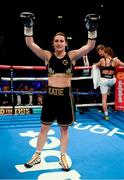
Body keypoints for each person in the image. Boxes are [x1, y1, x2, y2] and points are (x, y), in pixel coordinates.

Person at [20, 12, 100, 170]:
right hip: (50, 96)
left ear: (65, 44)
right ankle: (37, 155)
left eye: (61, 41)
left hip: (65, 97)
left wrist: (92, 30)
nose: (58, 43)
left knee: (64, 129)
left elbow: (90, 46)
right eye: (56, 41)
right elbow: (30, 44)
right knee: (44, 127)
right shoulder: (47, 56)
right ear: (53, 43)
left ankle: (63, 156)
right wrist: (28, 26)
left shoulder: (72, 56)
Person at [93, 46, 124, 120]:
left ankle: (106, 115)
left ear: (106, 53)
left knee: (104, 99)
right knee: (116, 84)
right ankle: (109, 91)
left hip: (104, 80)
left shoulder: (102, 60)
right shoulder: (116, 60)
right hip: (112, 81)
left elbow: (95, 66)